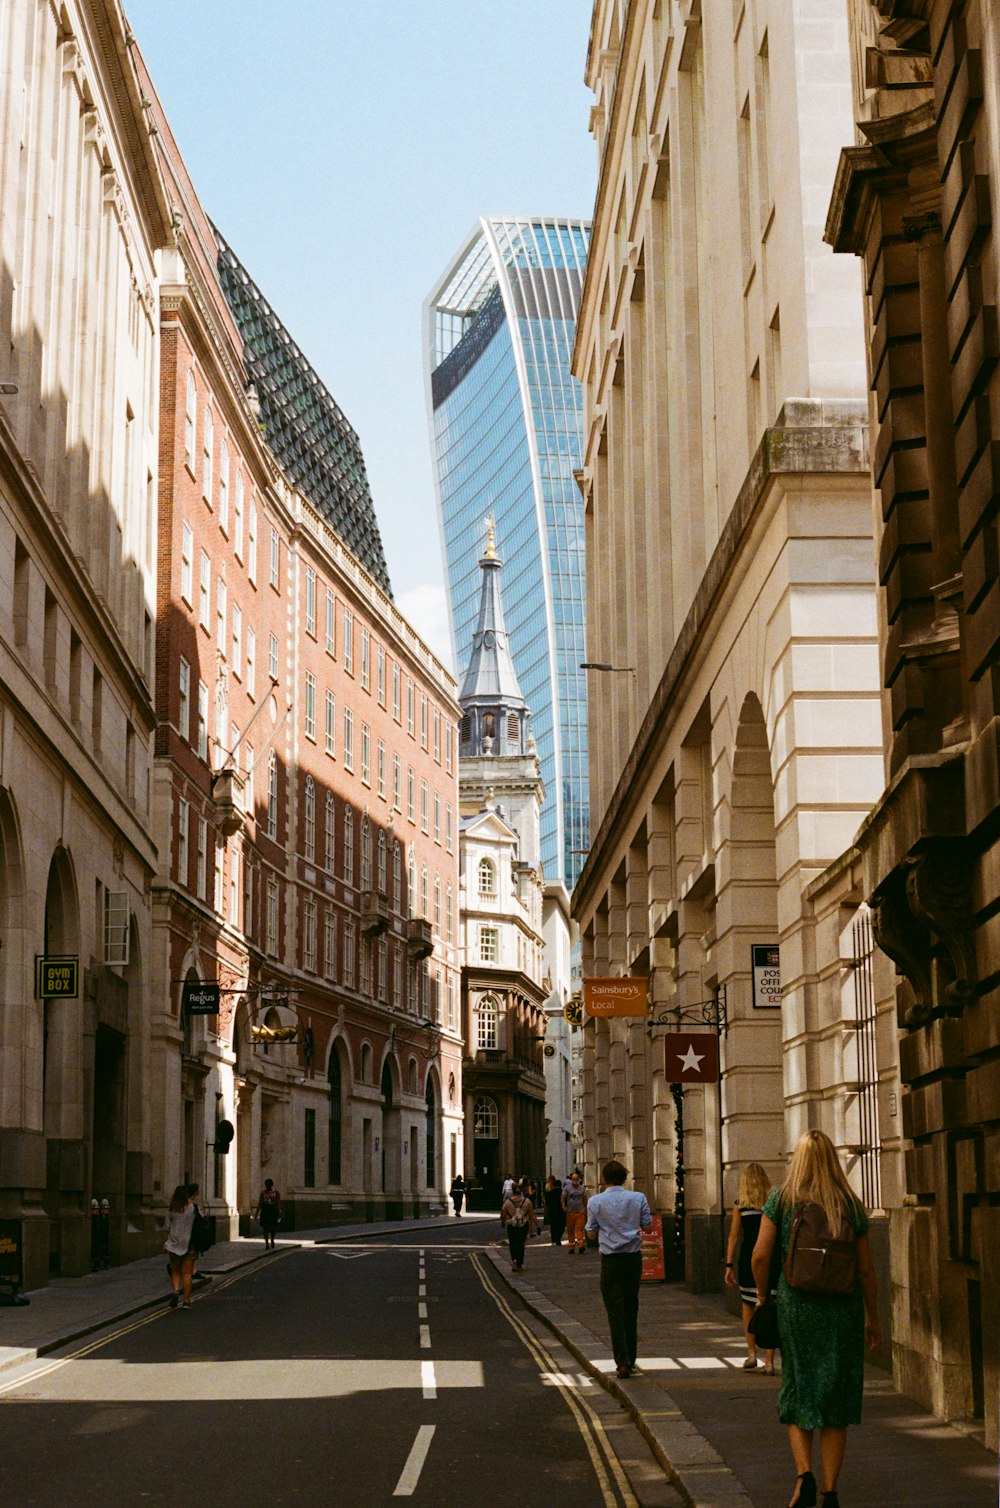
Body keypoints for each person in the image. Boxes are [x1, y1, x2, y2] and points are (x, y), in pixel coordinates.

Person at [751, 1129, 880, 1508]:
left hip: (797, 1305)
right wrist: (874, 1319)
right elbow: (867, 1270)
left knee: (798, 1386)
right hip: (843, 1308)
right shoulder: (850, 1204)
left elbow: (760, 1255)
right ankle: (831, 1491)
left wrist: (762, 1297)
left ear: (798, 1159)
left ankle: (804, 1476)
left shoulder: (783, 1199)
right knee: (836, 1397)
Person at [584, 1160, 653, 1379]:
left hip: (611, 1262)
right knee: (631, 1307)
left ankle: (622, 1361)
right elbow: (649, 1226)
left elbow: (591, 1233)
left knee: (615, 1311)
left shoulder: (596, 1202)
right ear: (624, 1177)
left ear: (604, 1179)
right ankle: (631, 1359)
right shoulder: (638, 1198)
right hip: (633, 1260)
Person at [725, 1162, 777, 1372]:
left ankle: (751, 1354)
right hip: (771, 1258)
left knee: (748, 1306)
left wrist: (729, 1264)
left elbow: (734, 1236)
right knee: (770, 1306)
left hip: (748, 1258)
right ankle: (770, 1361)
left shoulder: (740, 1205)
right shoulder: (772, 1206)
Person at [164, 1183, 197, 1310]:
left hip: (173, 1243)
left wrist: (165, 1243)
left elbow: (167, 1228)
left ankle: (176, 1291)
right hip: (189, 1243)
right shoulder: (192, 1207)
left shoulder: (172, 1208)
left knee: (175, 1270)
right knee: (187, 1273)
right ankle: (186, 1301)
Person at [500, 1180, 538, 1271]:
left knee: (513, 1244)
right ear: (520, 1191)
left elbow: (503, 1214)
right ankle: (520, 1263)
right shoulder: (527, 1201)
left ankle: (514, 1260)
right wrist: (538, 1225)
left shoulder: (508, 1202)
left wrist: (502, 1223)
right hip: (523, 1226)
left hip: (512, 1226)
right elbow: (532, 1214)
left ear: (512, 1191)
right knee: (521, 1244)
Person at [562, 1169, 588, 1254]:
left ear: (579, 1179)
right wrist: (564, 1206)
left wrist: (585, 1208)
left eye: (577, 1179)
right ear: (571, 1179)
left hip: (580, 1212)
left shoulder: (582, 1188)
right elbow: (563, 1197)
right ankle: (571, 1247)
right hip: (570, 1212)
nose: (575, 1181)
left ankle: (581, 1246)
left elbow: (584, 1198)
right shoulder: (567, 1188)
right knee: (570, 1230)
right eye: (574, 1179)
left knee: (579, 1229)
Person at [255, 1177, 282, 1248]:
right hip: (265, 1211)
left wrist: (279, 1212)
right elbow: (260, 1203)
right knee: (265, 1228)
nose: (268, 1186)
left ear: (272, 1185)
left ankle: (272, 1239)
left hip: (273, 1211)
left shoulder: (276, 1193)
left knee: (273, 1227)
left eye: (269, 1185)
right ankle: (267, 1243)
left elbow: (278, 1203)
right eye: (267, 1185)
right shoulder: (263, 1193)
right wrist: (256, 1213)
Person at [543, 1175, 566, 1246]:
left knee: (553, 1225)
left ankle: (553, 1239)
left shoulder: (548, 1193)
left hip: (551, 1211)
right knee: (561, 1225)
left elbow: (546, 1203)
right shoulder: (563, 1193)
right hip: (560, 1211)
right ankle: (558, 1237)